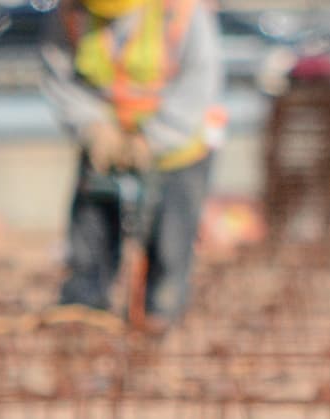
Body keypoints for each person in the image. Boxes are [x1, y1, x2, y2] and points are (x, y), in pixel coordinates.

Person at [41, 0, 225, 332]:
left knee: (170, 241)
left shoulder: (180, 11)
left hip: (179, 149)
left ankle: (159, 317)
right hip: (107, 143)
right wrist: (92, 127)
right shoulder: (73, 12)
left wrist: (153, 138)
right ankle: (83, 312)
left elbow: (199, 82)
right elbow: (61, 77)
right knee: (91, 226)